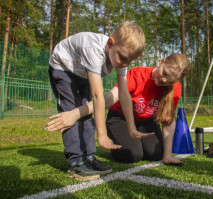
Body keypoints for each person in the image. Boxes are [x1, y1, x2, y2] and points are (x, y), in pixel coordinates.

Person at [47, 21, 153, 181]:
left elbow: (124, 94)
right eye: (123, 58)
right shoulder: (94, 50)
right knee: (72, 113)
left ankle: (89, 156)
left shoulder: (121, 54)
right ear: (110, 43)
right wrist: (102, 135)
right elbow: (98, 97)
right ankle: (76, 160)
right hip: (63, 68)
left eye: (129, 61)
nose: (125, 64)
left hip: (80, 72)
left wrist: (131, 128)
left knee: (86, 115)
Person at [46, 53, 190, 165]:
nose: (164, 80)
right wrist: (76, 113)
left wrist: (167, 155)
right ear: (162, 61)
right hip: (120, 118)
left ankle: (145, 146)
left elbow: (168, 121)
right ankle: (127, 142)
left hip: (146, 122)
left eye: (170, 80)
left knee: (156, 154)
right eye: (164, 73)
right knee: (133, 155)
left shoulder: (175, 88)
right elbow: (108, 99)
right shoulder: (137, 75)